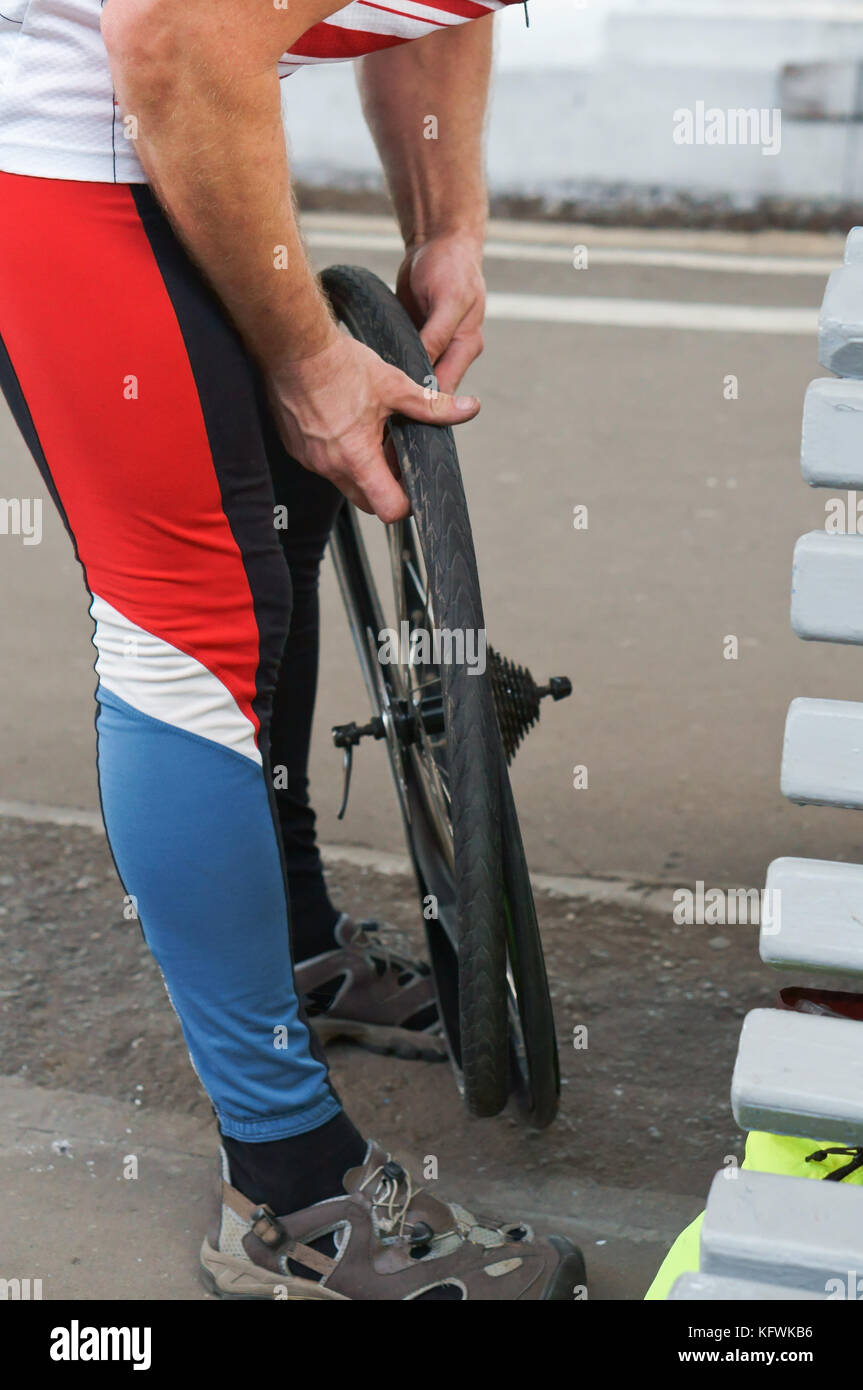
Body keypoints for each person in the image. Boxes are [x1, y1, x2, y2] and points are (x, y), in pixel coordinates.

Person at [0, 0, 584, 1299]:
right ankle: (290, 1197)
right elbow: (169, 38)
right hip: (74, 140)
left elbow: (434, 8)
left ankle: (302, 942)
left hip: (169, 112)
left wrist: (450, 224)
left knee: (273, 504)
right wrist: (313, 357)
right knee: (187, 619)